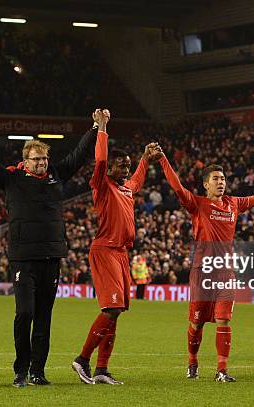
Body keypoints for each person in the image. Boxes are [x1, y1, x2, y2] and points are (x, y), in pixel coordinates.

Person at [0, 111, 98, 387]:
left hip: (51, 257)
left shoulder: (57, 175)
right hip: (23, 259)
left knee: (43, 317)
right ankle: (21, 370)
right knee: (24, 313)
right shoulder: (11, 179)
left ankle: (38, 372)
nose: (42, 163)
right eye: (36, 159)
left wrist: (96, 127)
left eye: (44, 158)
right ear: (25, 160)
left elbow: (79, 154)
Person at [157, 151, 254, 382]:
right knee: (197, 322)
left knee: (224, 319)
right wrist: (162, 159)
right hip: (202, 271)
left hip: (226, 271)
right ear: (205, 185)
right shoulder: (197, 204)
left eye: (223, 179)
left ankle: (222, 370)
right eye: (216, 179)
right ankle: (192, 362)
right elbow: (178, 187)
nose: (221, 182)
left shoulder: (233, 204)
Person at [72, 109, 159, 385]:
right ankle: (82, 360)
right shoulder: (102, 184)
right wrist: (102, 127)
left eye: (127, 165)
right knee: (110, 309)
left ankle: (101, 369)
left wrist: (144, 159)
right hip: (104, 250)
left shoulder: (126, 188)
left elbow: (137, 179)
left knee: (117, 312)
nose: (125, 170)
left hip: (121, 253)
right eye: (120, 166)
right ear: (110, 169)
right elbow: (99, 159)